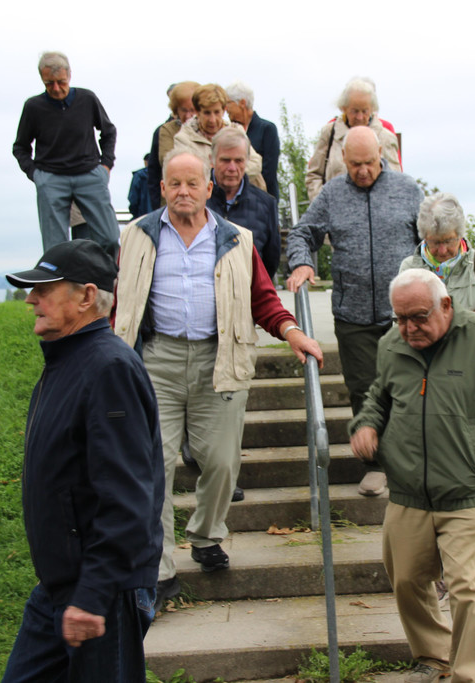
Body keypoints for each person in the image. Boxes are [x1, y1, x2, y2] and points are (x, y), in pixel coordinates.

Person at [113, 150, 322, 588]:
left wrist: (292, 331)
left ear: (208, 189)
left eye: (192, 183)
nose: (183, 191)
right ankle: (158, 569)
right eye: (175, 183)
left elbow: (262, 298)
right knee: (153, 464)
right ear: (162, 188)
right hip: (156, 362)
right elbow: (121, 302)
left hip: (220, 359)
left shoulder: (236, 239)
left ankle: (207, 535)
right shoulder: (136, 236)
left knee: (223, 462)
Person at [349, 269, 475, 683]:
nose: (409, 328)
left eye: (418, 317)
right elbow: (379, 397)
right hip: (408, 492)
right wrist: (367, 425)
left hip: (468, 492)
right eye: (400, 318)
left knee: (466, 590)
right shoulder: (391, 344)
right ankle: (432, 657)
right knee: (407, 581)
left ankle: (472, 674)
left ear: (445, 305)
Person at [2, 239, 163, 681]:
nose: (31, 299)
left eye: (44, 289)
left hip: (103, 592)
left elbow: (128, 497)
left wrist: (93, 593)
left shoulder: (108, 369)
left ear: (87, 296)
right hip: (62, 586)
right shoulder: (66, 360)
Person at [286, 126, 422, 497]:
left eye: (370, 163)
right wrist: (302, 262)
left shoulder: (408, 189)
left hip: (405, 315)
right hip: (353, 315)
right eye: (355, 164)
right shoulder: (332, 194)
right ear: (343, 160)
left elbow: (430, 239)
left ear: (382, 156)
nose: (363, 171)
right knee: (363, 389)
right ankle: (375, 465)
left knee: (408, 388)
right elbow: (302, 233)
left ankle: (409, 464)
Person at [398, 192, 475, 551]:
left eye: (447, 241)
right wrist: (464, 319)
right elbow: (404, 329)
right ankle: (443, 534)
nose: (443, 250)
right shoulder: (409, 268)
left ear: (460, 233)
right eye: (435, 243)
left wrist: (433, 323)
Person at [12, 51, 121, 258]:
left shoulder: (87, 99)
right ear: (42, 79)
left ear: (69, 75)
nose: (56, 88)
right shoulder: (33, 107)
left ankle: (109, 277)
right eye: (49, 83)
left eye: (61, 82)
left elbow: (108, 132)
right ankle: (61, 279)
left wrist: (105, 166)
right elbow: (20, 147)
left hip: (90, 174)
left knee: (109, 237)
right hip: (51, 178)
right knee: (55, 248)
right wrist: (36, 175)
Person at [304, 76, 401, 200]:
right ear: (344, 108)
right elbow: (314, 175)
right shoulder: (329, 133)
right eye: (354, 111)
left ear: (372, 109)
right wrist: (323, 204)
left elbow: (396, 182)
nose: (360, 117)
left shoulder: (386, 137)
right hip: (334, 209)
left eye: (365, 111)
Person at [206, 127, 280, 280]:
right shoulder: (197, 201)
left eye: (238, 161)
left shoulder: (266, 205)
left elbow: (270, 264)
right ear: (212, 160)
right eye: (225, 160)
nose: (232, 168)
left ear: (247, 161)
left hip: (247, 292)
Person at [171, 84, 265, 192]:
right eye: (207, 113)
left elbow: (255, 163)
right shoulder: (183, 139)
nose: (212, 119)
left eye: (216, 112)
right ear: (197, 112)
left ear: (224, 110)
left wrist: (223, 173)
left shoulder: (236, 131)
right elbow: (189, 173)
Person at [225, 81, 281, 199]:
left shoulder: (267, 129)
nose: (225, 109)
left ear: (242, 103)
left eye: (228, 103)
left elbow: (269, 170)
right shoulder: (228, 130)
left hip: (263, 197)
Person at [149, 81, 199, 209]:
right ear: (176, 110)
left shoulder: (210, 130)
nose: (188, 116)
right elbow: (155, 172)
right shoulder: (165, 131)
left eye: (192, 110)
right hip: (172, 203)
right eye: (184, 110)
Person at [128, 154, 152, 218]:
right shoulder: (162, 175)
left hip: (141, 215)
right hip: (158, 215)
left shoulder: (138, 176)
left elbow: (133, 198)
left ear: (145, 162)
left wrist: (134, 212)